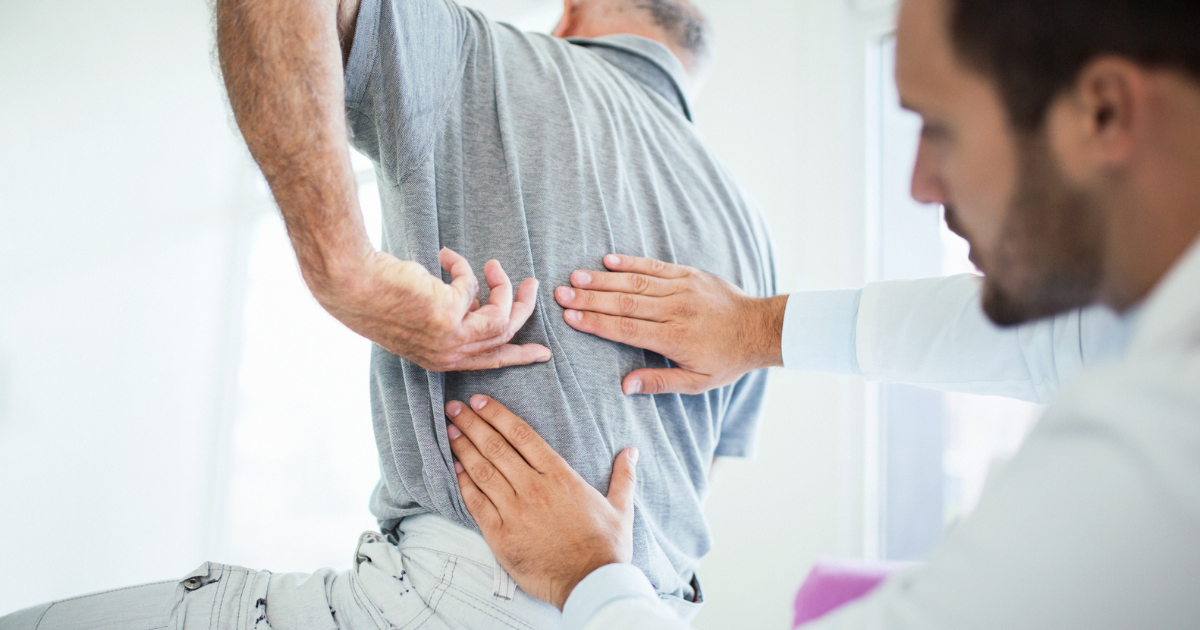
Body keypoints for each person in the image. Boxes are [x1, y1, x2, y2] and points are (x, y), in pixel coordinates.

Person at [0, 0, 778, 628]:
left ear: (572, 15)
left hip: (470, 594)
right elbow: (683, 481)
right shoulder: (753, 242)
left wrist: (347, 273)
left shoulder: (493, 55)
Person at [441, 0, 1200, 627]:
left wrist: (592, 577)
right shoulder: (1148, 337)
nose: (919, 185)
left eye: (939, 128)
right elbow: (1052, 343)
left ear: (1102, 111)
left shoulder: (1162, 440)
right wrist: (755, 328)